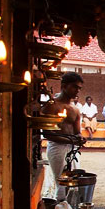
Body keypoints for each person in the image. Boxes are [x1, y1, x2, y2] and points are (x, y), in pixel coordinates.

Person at [40, 72, 85, 201]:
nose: (77, 91)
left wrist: (80, 138)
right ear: (64, 86)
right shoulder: (51, 106)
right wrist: (70, 139)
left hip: (72, 149)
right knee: (61, 182)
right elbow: (47, 133)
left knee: (73, 183)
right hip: (57, 148)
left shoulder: (75, 109)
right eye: (74, 87)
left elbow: (77, 132)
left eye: (79, 88)